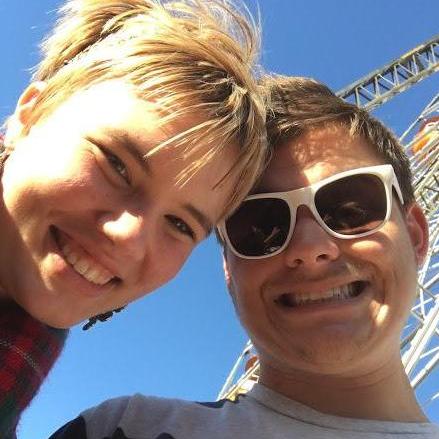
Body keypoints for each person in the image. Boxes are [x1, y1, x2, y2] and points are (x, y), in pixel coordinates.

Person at [49, 76, 439, 439]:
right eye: (259, 226)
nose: (309, 247)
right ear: (229, 273)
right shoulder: (123, 430)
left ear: (416, 235)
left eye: (351, 208)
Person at [0, 0, 268, 436]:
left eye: (181, 225)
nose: (130, 237)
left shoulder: (19, 354)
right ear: (29, 115)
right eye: (116, 165)